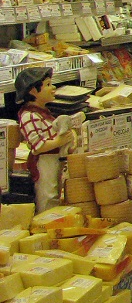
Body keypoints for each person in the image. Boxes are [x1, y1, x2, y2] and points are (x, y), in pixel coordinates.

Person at [16, 67, 75, 212]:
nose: (53, 87)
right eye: (48, 85)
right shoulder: (29, 116)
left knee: (55, 193)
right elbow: (38, 146)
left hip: (54, 159)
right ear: (33, 91)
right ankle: (46, 220)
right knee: (47, 195)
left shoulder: (43, 113)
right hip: (44, 162)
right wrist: (59, 141)